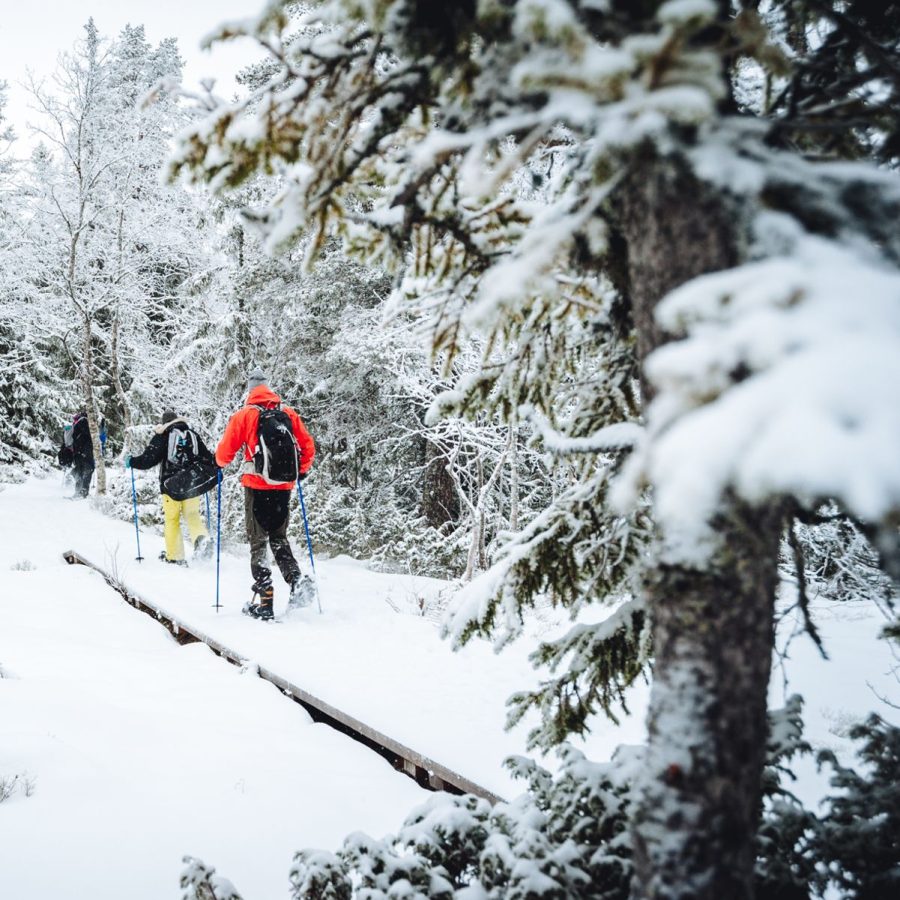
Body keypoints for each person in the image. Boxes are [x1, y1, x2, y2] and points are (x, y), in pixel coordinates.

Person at [216, 369, 315, 620]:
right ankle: (296, 580)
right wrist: (300, 472)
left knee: (258, 542)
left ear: (250, 390)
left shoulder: (245, 416)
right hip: (283, 489)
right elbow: (308, 447)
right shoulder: (288, 414)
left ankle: (265, 600)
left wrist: (217, 464)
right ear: (268, 389)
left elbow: (224, 453)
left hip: (257, 487)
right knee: (279, 538)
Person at [126, 410, 216, 566]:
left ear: (165, 423)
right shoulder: (192, 435)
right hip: (192, 484)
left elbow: (148, 459)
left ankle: (175, 556)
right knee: (192, 515)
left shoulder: (163, 436)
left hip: (171, 486)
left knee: (172, 519)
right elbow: (207, 457)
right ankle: (202, 540)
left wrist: (132, 461)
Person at [71, 411, 95, 498]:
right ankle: (83, 492)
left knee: (79, 471)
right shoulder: (86, 423)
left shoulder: (77, 424)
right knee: (88, 471)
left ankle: (77, 492)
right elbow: (91, 439)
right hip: (86, 453)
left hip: (78, 453)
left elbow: (74, 438)